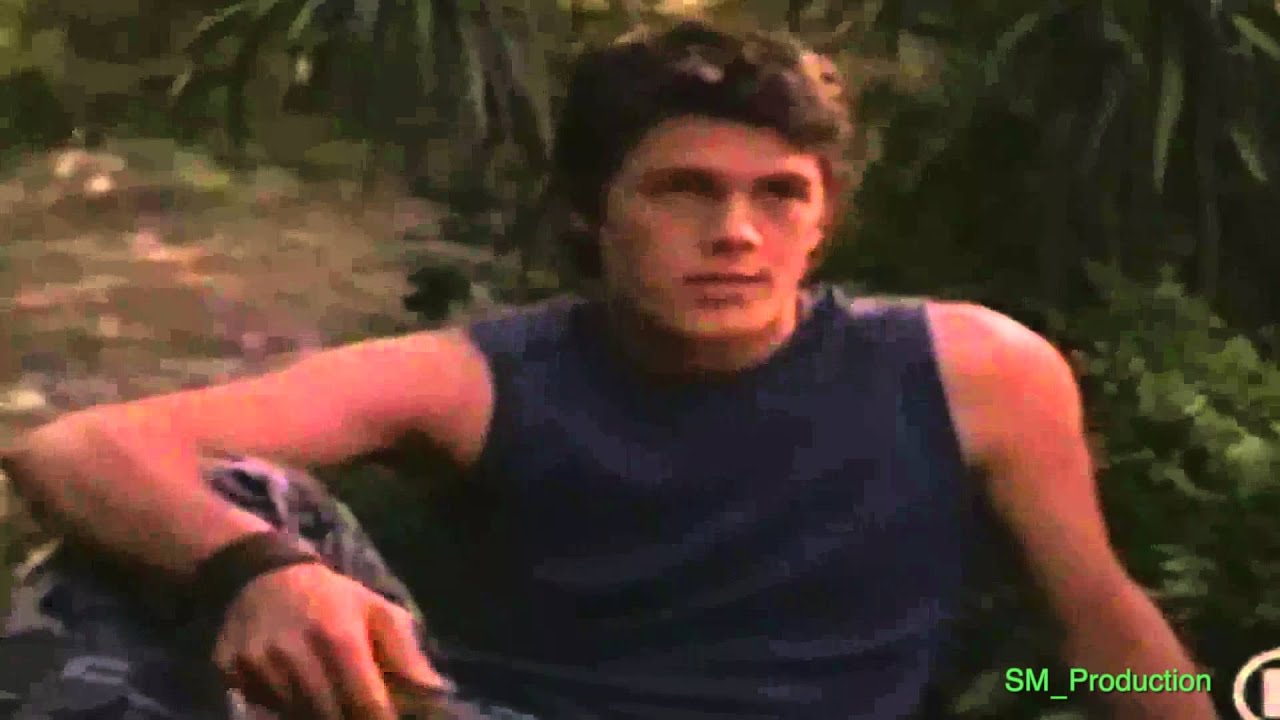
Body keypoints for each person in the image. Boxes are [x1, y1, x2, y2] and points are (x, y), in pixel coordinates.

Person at [1, 19, 1216, 720]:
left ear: (822, 221)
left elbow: (1101, 632)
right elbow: (70, 444)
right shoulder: (488, 377)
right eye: (683, 191)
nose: (733, 234)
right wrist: (259, 573)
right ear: (594, 212)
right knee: (212, 512)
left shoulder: (972, 369)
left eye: (777, 196)